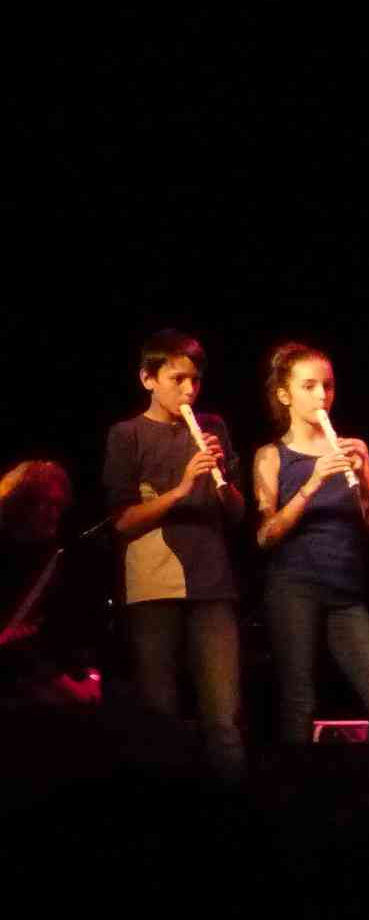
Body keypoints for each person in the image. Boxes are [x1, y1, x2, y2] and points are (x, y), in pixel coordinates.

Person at [104, 330, 246, 774]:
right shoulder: (126, 434)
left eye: (195, 380)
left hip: (212, 581)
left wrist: (221, 480)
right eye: (177, 379)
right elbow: (122, 521)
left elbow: (237, 514)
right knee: (159, 717)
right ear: (148, 378)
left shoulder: (213, 427)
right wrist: (183, 488)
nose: (189, 390)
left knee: (224, 719)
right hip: (152, 584)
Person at [251, 342, 369, 749]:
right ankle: (295, 786)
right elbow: (265, 536)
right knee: (299, 704)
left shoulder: (351, 448)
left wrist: (365, 480)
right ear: (285, 395)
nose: (322, 395)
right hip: (293, 588)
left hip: (345, 593)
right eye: (309, 386)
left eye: (328, 385)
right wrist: (314, 481)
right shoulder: (272, 455)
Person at [1, 460, 99, 707]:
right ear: (20, 505)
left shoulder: (54, 557)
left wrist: (86, 675)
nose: (54, 514)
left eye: (58, 505)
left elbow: (65, 632)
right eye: (45, 504)